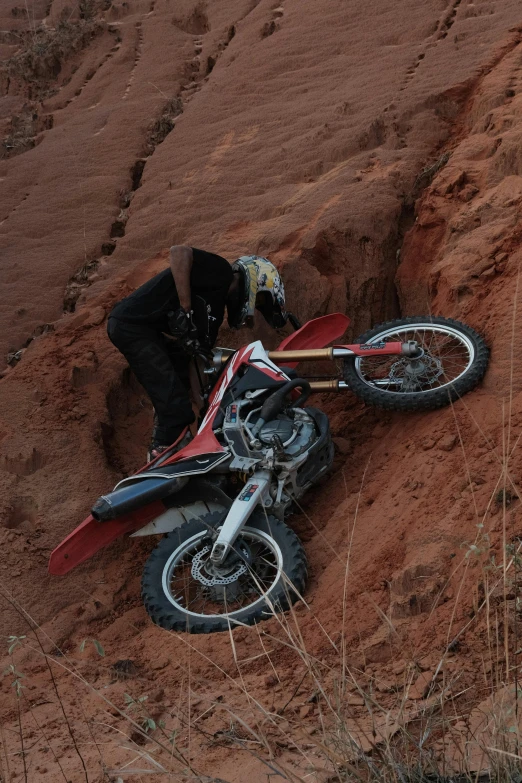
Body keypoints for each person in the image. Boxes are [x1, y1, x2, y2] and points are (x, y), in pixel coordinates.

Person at [107, 246, 290, 461]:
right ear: (255, 280)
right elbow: (179, 252)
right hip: (131, 325)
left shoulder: (212, 321)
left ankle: (173, 436)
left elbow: (195, 363)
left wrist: (207, 411)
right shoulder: (220, 272)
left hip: (148, 332)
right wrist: (185, 308)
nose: (253, 308)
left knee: (181, 369)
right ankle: (163, 450)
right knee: (177, 408)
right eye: (259, 300)